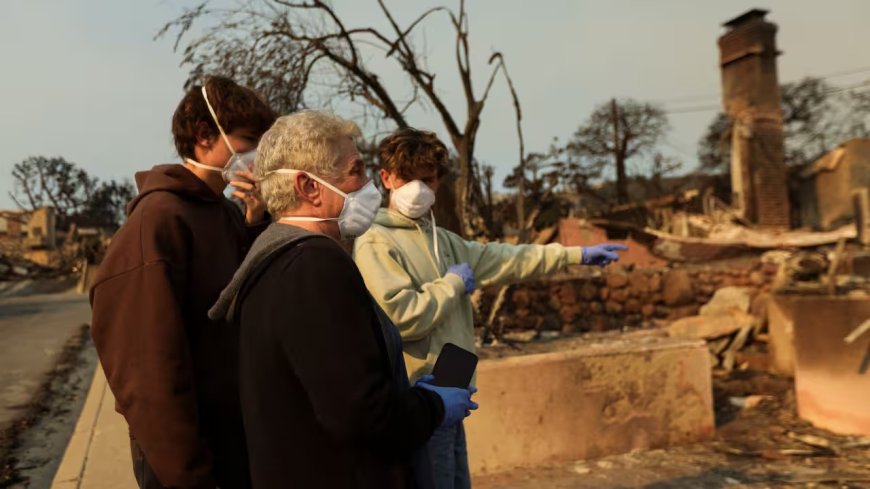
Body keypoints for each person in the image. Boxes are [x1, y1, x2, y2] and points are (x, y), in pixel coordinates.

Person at [208, 111, 479, 489]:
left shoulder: (274, 259)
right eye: (356, 171)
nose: (369, 185)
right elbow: (361, 416)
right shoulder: (315, 267)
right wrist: (434, 405)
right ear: (309, 186)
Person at [353, 128, 628, 489]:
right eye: (409, 177)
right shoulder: (375, 240)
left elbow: (507, 259)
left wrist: (575, 255)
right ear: (387, 177)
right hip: (420, 397)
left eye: (428, 178)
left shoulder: (444, 241)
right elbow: (401, 318)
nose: (418, 188)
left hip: (453, 387)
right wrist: (451, 285)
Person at [89, 76, 276, 489]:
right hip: (187, 460)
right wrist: (190, 473)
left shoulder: (224, 214)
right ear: (203, 135)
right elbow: (147, 370)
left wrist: (257, 221)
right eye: (247, 140)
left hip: (233, 442)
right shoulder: (158, 221)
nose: (255, 157)